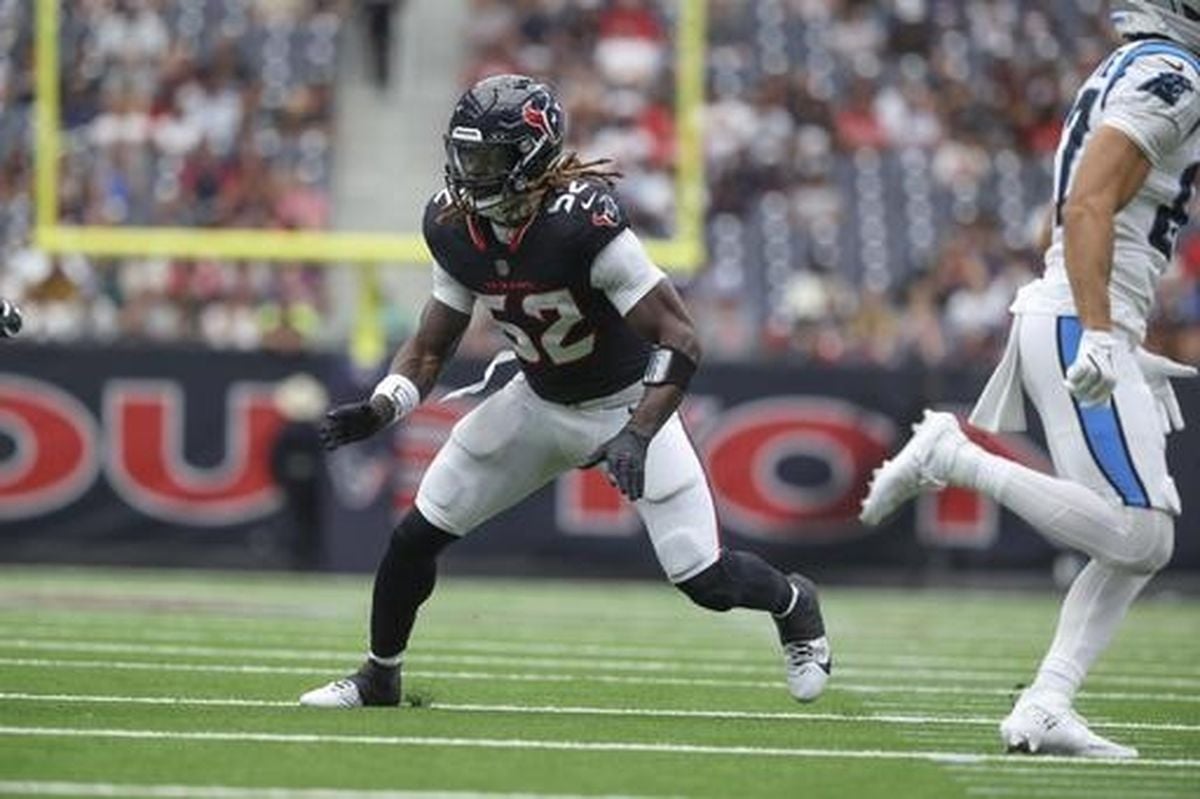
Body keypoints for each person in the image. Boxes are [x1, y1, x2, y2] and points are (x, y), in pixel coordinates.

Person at [299, 74, 831, 709]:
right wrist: (384, 405)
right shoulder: (451, 225)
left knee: (704, 578)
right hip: (538, 402)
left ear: (531, 156)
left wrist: (638, 432)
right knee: (415, 536)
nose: (471, 173)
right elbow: (432, 345)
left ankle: (794, 603)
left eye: (488, 158)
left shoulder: (583, 224)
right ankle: (379, 677)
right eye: (466, 155)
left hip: (626, 404)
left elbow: (681, 337)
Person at [859, 0, 1199, 759]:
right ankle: (955, 455)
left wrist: (1121, 331)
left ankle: (1047, 703)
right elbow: (1088, 202)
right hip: (1081, 317)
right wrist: (1104, 329)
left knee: (1135, 533)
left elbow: (1079, 212)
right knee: (1142, 534)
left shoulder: (1137, 65)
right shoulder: (1174, 73)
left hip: (1082, 312)